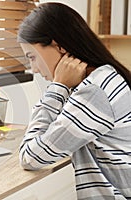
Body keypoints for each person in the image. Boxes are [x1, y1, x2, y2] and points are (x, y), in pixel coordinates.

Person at [18, 3, 131, 200]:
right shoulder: (102, 77)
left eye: (32, 57)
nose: (34, 68)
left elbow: (30, 156)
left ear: (59, 46)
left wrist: (58, 86)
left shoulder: (94, 93)